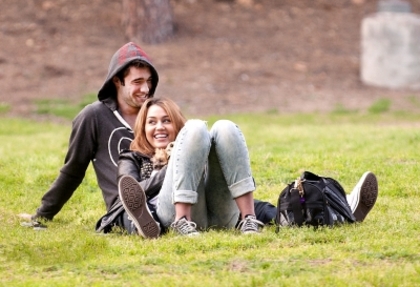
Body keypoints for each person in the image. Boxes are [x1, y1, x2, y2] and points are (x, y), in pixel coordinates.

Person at [18, 42, 160, 229]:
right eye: (137, 82)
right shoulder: (94, 117)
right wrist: (43, 213)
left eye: (149, 81)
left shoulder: (157, 115)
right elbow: (73, 170)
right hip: (127, 210)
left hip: (164, 196)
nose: (146, 89)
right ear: (117, 80)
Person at [116, 97, 265, 237]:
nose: (160, 127)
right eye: (152, 122)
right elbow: (128, 194)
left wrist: (277, 213)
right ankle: (182, 220)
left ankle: (249, 219)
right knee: (196, 126)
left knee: (225, 127)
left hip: (219, 214)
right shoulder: (132, 157)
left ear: (177, 124)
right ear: (143, 128)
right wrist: (177, 167)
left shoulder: (197, 145)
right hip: (169, 213)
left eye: (167, 121)